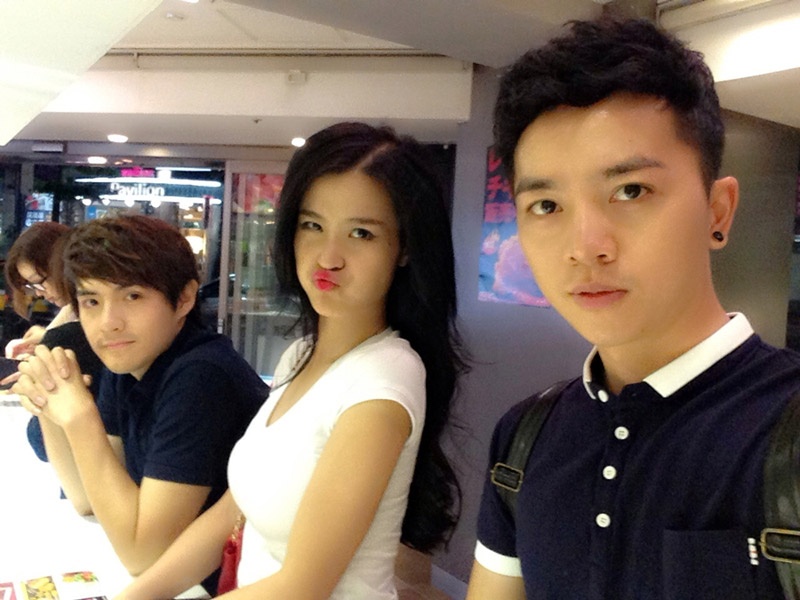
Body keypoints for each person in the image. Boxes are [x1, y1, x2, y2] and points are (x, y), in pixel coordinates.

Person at [466, 16, 800, 600]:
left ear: (718, 211)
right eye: (546, 205)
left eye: (630, 191)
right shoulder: (524, 438)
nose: (585, 246)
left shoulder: (785, 432)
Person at [114, 121, 468, 599]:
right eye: (312, 225)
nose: (328, 257)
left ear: (404, 248)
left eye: (361, 233)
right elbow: (233, 510)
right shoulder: (300, 355)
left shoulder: (385, 378)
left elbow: (303, 585)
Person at [13, 215, 269, 592]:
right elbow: (86, 500)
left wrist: (81, 418)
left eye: (132, 296)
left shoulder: (201, 376)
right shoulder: (130, 364)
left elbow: (143, 554)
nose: (109, 323)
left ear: (184, 299)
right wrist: (48, 402)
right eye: (91, 301)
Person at [3, 223, 104, 461]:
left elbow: (43, 441)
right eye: (32, 286)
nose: (39, 293)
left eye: (40, 281)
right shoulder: (67, 327)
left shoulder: (70, 337)